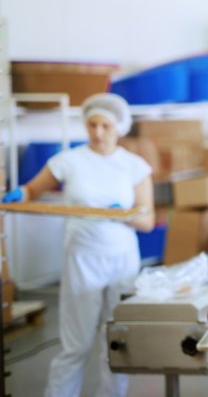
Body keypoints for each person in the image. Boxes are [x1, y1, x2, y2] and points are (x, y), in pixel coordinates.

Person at [3, 93, 155, 397]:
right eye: (92, 125)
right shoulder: (68, 161)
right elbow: (33, 189)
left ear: (119, 128)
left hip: (121, 260)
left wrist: (122, 216)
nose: (97, 132)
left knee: (117, 340)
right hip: (82, 258)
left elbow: (147, 220)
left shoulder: (134, 166)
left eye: (105, 126)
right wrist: (20, 193)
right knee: (76, 344)